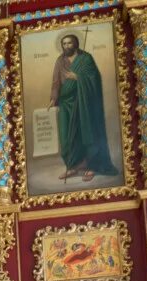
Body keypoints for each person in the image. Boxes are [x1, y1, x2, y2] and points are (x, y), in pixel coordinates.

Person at [48, 33, 118, 183]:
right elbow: (56, 81)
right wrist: (54, 97)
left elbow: (94, 78)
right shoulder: (60, 61)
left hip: (84, 101)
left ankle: (92, 165)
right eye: (64, 44)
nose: (66, 46)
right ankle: (73, 165)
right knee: (66, 136)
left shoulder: (86, 59)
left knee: (87, 132)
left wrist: (79, 78)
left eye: (69, 43)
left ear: (76, 44)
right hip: (66, 102)